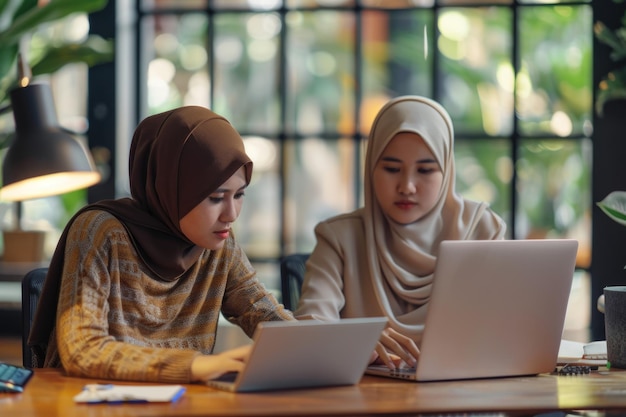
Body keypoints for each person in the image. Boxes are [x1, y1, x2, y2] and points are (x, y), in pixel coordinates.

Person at [27, 106, 295, 383]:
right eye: (216, 198)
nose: (232, 214)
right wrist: (194, 366)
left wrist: (316, 347)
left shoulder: (219, 243)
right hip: (89, 402)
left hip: (182, 403)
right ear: (169, 187)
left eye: (239, 195)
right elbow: (82, 349)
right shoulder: (100, 231)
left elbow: (262, 312)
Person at [294, 95, 506, 370]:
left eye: (425, 170)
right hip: (365, 402)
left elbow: (505, 329)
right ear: (371, 168)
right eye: (392, 169)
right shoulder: (339, 238)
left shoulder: (483, 229)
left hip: (466, 397)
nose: (407, 186)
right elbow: (309, 329)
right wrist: (358, 340)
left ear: (447, 171)